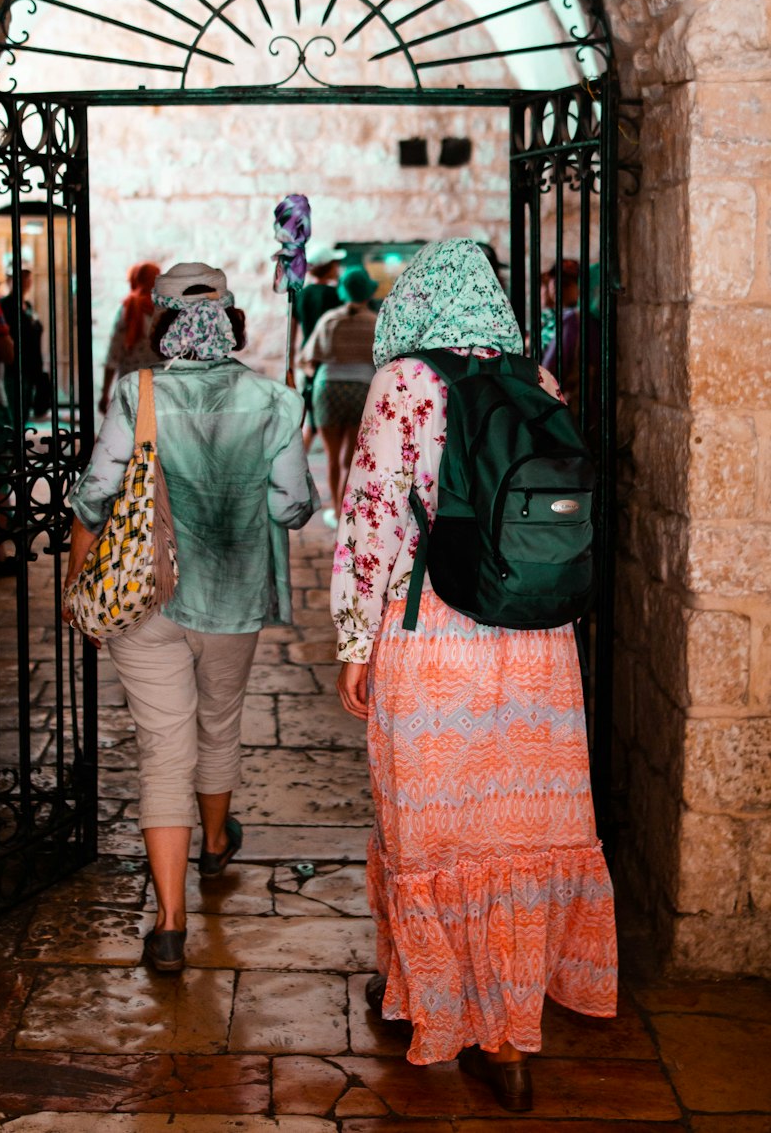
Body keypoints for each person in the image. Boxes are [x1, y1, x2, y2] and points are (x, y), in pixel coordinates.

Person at [332, 239, 616, 1112]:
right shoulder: (537, 379)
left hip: (437, 639)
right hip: (538, 648)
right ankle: (509, 1038)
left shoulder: (406, 384)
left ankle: (438, 1008)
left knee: (437, 839)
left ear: (416, 300)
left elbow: (372, 519)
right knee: (515, 840)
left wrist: (354, 641)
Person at [64, 262, 316, 974]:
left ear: (163, 322)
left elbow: (94, 496)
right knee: (219, 723)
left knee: (163, 749)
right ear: (230, 319)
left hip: (145, 593)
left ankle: (170, 926)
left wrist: (76, 579)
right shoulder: (275, 401)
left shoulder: (135, 393)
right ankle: (214, 843)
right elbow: (291, 506)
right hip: (233, 595)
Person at [299, 265, 378, 529]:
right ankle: (346, 512)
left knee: (332, 458)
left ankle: (333, 509)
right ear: (367, 293)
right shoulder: (375, 322)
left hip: (328, 390)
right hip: (361, 391)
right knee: (350, 458)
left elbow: (308, 359)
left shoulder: (330, 320)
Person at [290, 241, 345, 450]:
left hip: (308, 361)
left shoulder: (300, 295)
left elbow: (294, 335)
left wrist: (293, 371)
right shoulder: (336, 296)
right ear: (328, 266)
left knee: (311, 422)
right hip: (331, 361)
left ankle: (296, 469)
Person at [540, 258, 601, 431]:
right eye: (556, 279)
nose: (560, 286)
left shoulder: (572, 321)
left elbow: (548, 372)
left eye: (568, 282)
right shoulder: (586, 319)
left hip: (565, 412)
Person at [100, 261, 161, 413]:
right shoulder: (166, 310)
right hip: (160, 386)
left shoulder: (128, 309)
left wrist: (105, 393)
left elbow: (114, 354)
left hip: (131, 385)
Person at [3, 267, 45, 430]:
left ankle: (19, 449)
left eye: (29, 280)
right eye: (23, 279)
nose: (27, 283)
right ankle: (14, 451)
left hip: (31, 368)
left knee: (24, 412)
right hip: (14, 367)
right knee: (14, 413)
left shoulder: (28, 306)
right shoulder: (6, 305)